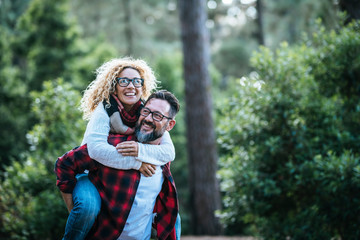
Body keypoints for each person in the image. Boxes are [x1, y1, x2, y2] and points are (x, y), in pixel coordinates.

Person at [58, 58, 180, 239]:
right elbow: (96, 150)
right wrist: (137, 163)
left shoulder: (145, 110)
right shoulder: (104, 109)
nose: (131, 86)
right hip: (87, 171)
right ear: (113, 86)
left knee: (173, 215)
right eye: (124, 81)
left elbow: (168, 151)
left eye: (136, 81)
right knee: (87, 208)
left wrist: (139, 149)